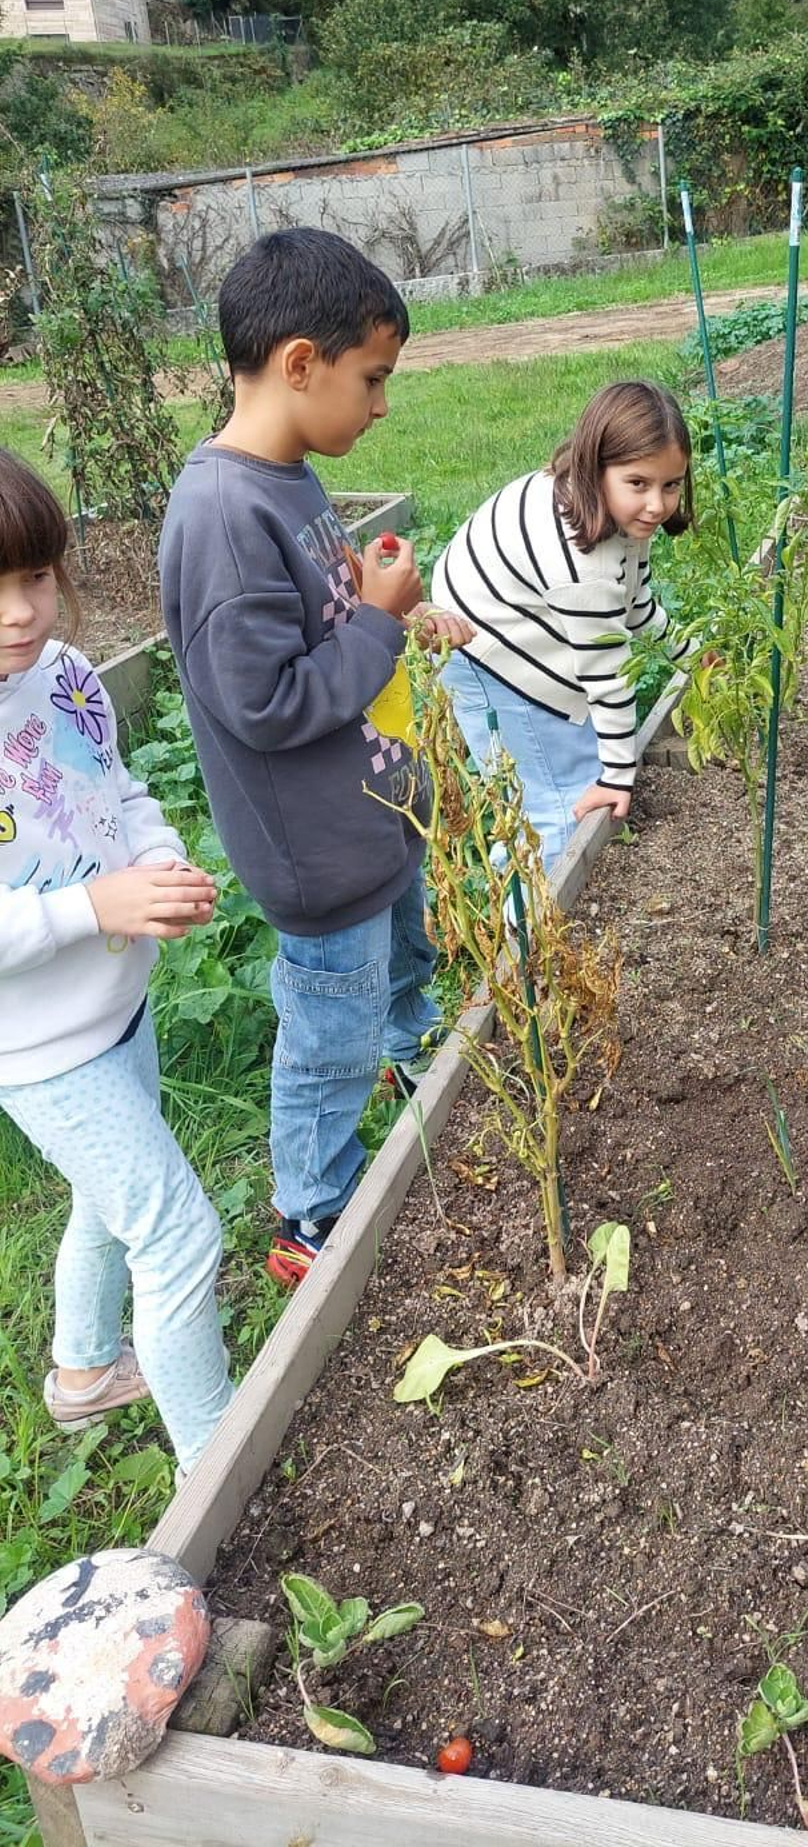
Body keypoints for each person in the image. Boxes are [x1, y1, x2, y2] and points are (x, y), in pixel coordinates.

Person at [159, 228, 471, 1289]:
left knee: (403, 967)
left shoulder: (285, 479)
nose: (381, 404)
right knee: (326, 1032)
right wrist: (376, 625)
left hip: (371, 814)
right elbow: (262, 702)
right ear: (301, 363)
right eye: (372, 378)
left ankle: (415, 1076)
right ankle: (312, 1216)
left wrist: (393, 606)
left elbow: (324, 614)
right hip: (314, 847)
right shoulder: (220, 513)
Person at [0, 451, 232, 1477]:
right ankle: (218, 1476)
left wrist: (157, 860)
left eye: (36, 577)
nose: (22, 612)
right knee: (178, 1235)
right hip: (44, 1051)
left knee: (111, 1200)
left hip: (118, 1003)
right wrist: (93, 903)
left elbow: (117, 788)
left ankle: (86, 1372)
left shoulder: (68, 679)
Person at [430, 380, 696, 866]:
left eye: (671, 485)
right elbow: (607, 673)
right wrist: (618, 777)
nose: (657, 504)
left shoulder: (615, 513)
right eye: (638, 483)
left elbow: (634, 606)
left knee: (573, 770)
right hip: (489, 654)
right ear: (596, 467)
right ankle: (528, 931)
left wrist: (692, 657)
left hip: (517, 624)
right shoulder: (584, 561)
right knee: (559, 803)